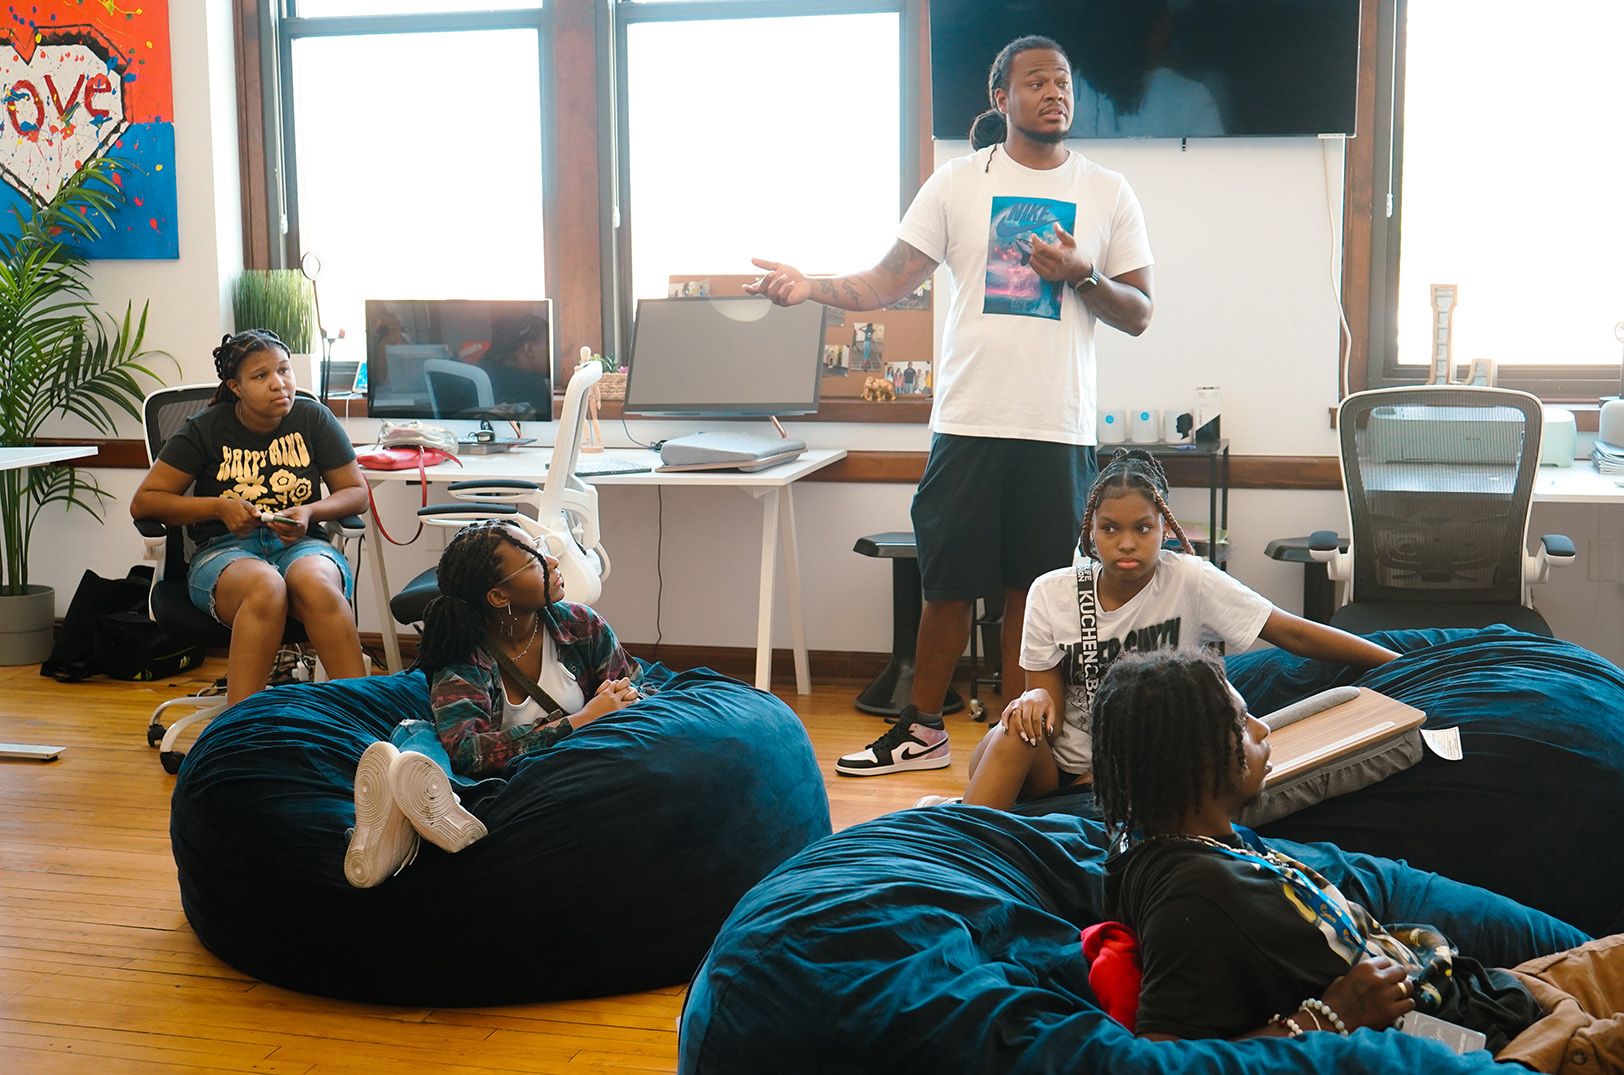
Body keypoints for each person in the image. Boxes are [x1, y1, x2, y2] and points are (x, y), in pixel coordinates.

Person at [748, 35, 1156, 778]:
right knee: (947, 581)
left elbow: (1138, 311)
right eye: (1036, 81)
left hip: (1055, 424)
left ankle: (1017, 744)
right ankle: (921, 729)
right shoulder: (957, 183)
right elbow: (886, 280)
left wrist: (1081, 272)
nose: (1055, 91)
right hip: (968, 418)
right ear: (1002, 99)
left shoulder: (1108, 191)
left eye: (1063, 81)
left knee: (1030, 597)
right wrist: (813, 288)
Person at [1093, 650, 1624, 1071]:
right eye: (1240, 722)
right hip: (1518, 1043)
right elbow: (1164, 1055)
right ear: (1194, 758)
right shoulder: (1195, 892)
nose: (1263, 729)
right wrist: (1327, 1017)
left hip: (1506, 992)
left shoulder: (1198, 849)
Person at [957, 448, 1399, 812]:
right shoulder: (1051, 592)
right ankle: (949, 850)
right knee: (1014, 727)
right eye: (1109, 529)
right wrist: (1033, 699)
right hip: (1057, 768)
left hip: (1146, 763)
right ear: (1089, 532)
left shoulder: (1192, 579)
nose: (1126, 543)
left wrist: (1403, 663)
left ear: (1166, 528)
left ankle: (963, 827)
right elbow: (1047, 712)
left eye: (1142, 528)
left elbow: (1292, 633)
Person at [344, 519, 651, 888]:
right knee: (423, 738)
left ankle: (404, 815)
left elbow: (636, 689)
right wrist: (578, 720)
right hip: (497, 780)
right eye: (535, 560)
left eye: (541, 547)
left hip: (563, 769)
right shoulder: (462, 656)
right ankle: (419, 807)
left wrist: (621, 702)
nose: (553, 561)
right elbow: (468, 752)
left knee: (422, 744)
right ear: (499, 597)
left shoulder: (582, 625)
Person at [130, 329, 369, 707]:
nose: (280, 384)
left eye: (285, 370)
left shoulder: (313, 419)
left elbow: (356, 493)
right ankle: (241, 739)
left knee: (318, 583)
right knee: (265, 586)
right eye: (261, 376)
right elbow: (145, 502)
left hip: (301, 545)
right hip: (225, 553)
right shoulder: (204, 428)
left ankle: (363, 728)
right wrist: (219, 507)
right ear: (235, 387)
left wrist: (309, 511)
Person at [478, 314, 552, 419]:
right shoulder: (531, 382)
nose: (551, 353)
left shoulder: (487, 376)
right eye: (548, 346)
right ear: (529, 349)